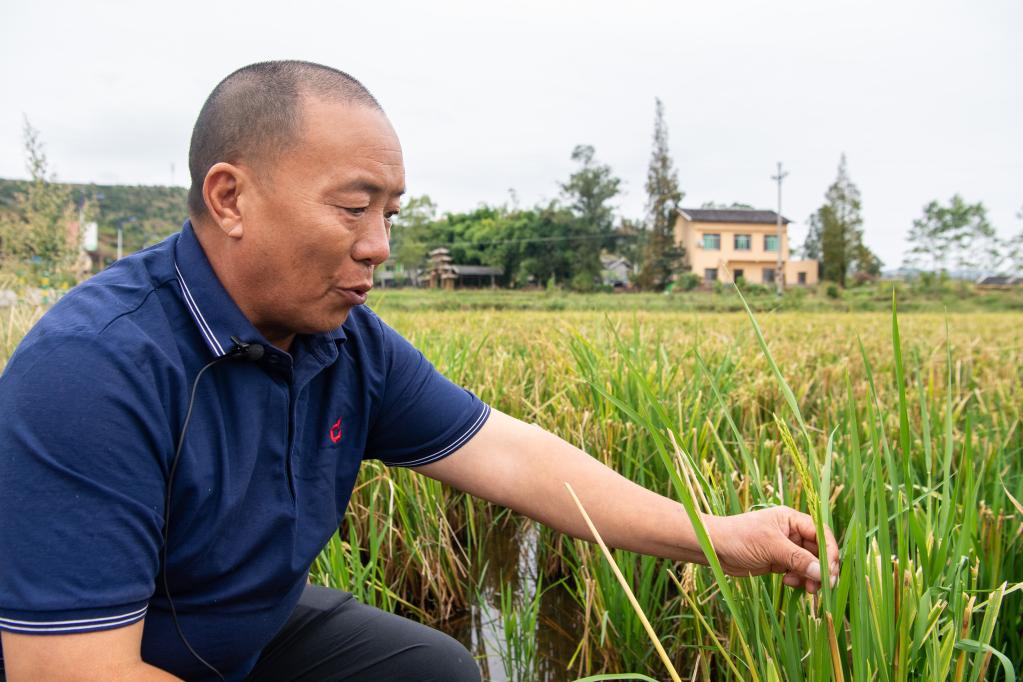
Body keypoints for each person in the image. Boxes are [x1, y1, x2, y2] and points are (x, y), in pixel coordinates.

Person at [0, 61, 839, 682]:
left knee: (431, 671)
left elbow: (511, 454)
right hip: (109, 653)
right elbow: (68, 672)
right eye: (352, 207)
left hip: (241, 632)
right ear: (230, 198)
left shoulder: (344, 341)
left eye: (390, 213)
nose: (378, 245)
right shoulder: (95, 369)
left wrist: (716, 536)